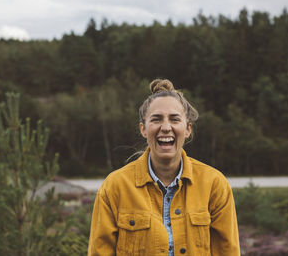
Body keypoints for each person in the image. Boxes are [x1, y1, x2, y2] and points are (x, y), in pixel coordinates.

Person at [88, 79, 240, 256]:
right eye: (156, 119)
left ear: (188, 129)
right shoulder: (114, 187)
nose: (166, 127)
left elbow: (227, 251)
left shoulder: (214, 184)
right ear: (143, 129)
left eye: (175, 119)